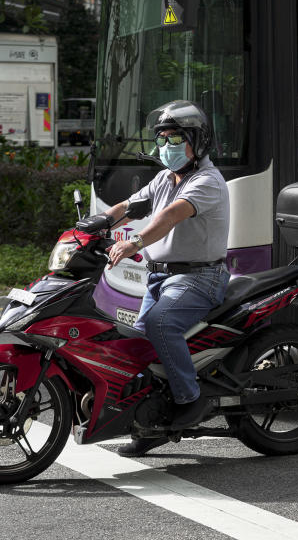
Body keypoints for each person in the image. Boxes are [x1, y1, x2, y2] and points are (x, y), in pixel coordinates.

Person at [85, 100, 230, 457]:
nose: (167, 147)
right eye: (162, 139)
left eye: (176, 138)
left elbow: (169, 216)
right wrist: (97, 225)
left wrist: (134, 240)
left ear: (198, 140)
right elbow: (132, 206)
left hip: (199, 278)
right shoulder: (166, 178)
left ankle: (190, 399)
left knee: (160, 324)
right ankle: (151, 424)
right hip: (160, 278)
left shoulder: (207, 182)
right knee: (139, 346)